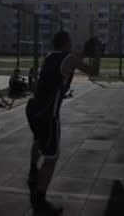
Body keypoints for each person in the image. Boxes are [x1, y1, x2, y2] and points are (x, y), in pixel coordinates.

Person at [26, 32, 101, 215]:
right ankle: (39, 199)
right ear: (67, 42)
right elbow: (94, 71)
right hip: (47, 114)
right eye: (71, 40)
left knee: (38, 140)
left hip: (33, 108)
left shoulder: (50, 55)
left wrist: (84, 51)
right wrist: (96, 54)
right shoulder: (69, 58)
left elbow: (72, 58)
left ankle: (32, 171)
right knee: (51, 158)